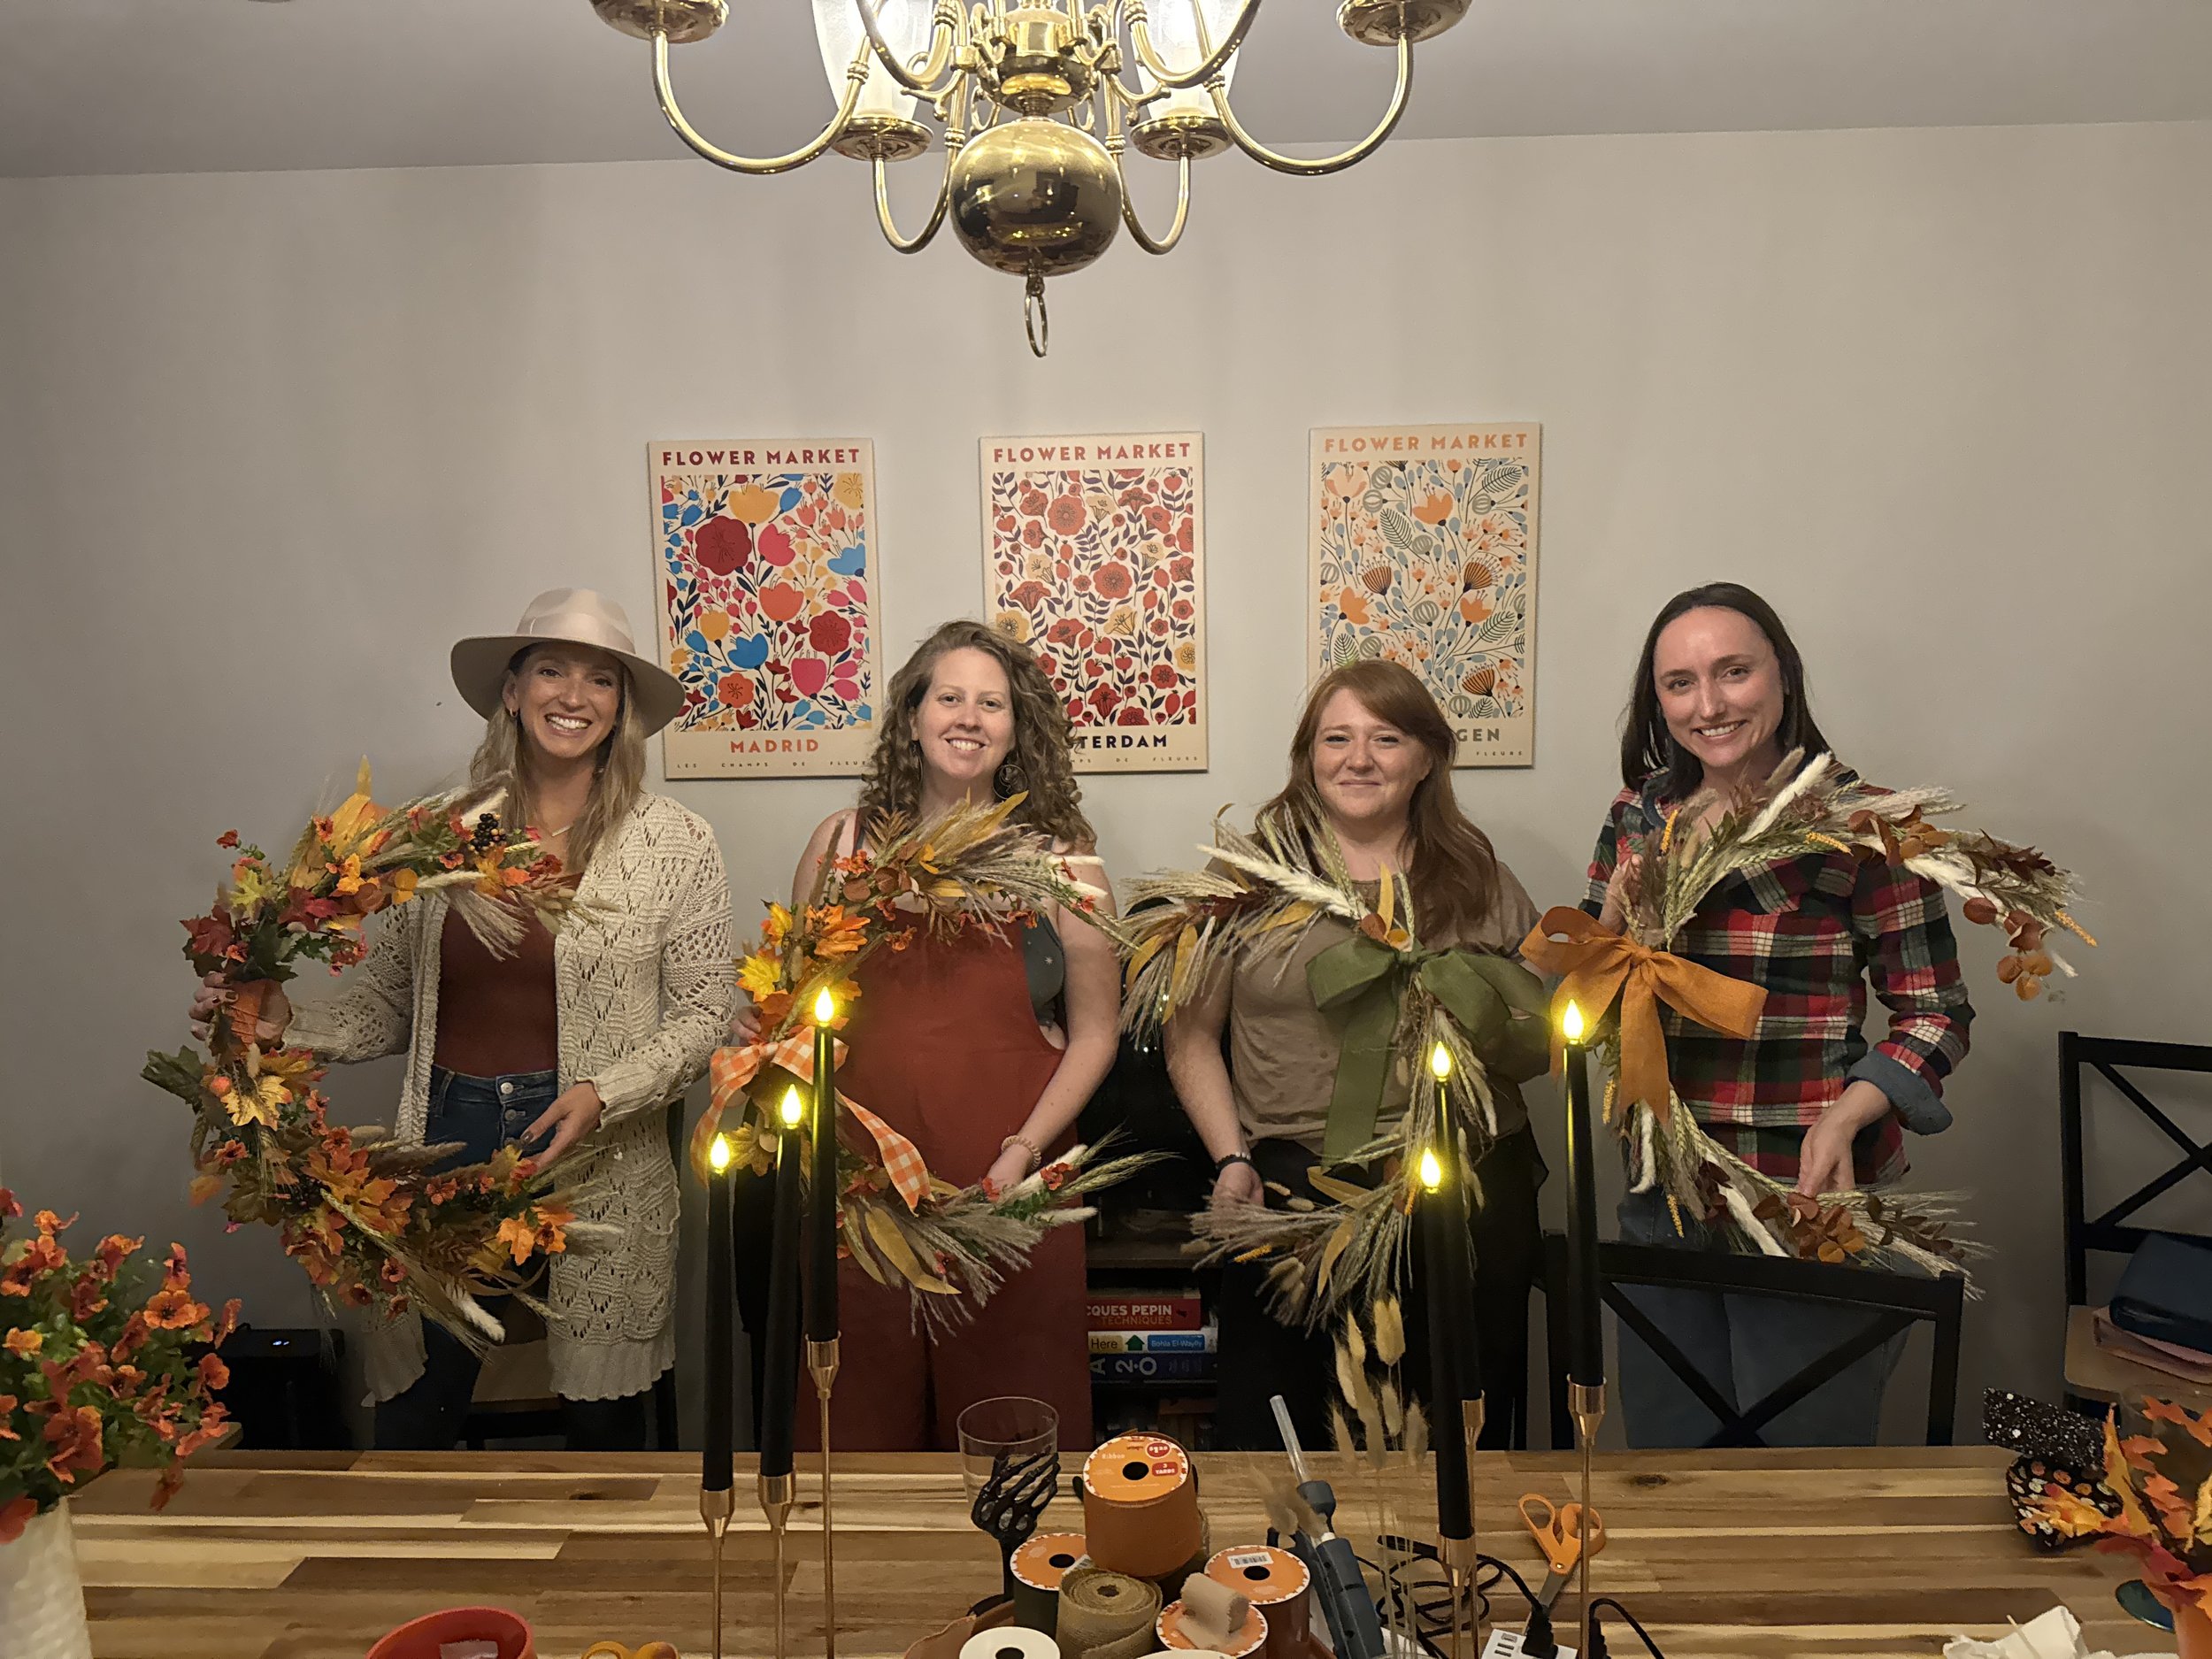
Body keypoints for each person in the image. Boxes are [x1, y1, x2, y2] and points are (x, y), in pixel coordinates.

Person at [191, 588, 735, 1450]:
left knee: (604, 1417)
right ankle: (433, 1580)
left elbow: (709, 1009)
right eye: (550, 670)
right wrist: (283, 1021)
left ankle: (604, 1580)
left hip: (597, 1152)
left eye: (600, 680)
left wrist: (605, 1089)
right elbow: (389, 1005)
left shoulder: (674, 842)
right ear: (510, 692)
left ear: (621, 708)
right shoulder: (436, 834)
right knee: (419, 1409)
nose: (573, 696)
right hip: (448, 1136)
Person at [1582, 580, 1973, 1447]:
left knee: (1804, 1471)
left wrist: (1847, 1115)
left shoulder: (1864, 829)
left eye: (1733, 673)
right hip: (1664, 1197)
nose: (1708, 703)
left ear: (1783, 678)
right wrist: (1613, 918)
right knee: (1667, 1461)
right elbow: (1593, 996)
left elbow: (1936, 1013)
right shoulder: (1636, 816)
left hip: (1804, 1197)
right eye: (1679, 683)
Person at [747, 618, 1118, 1450]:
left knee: (1015, 1424)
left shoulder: (1064, 862)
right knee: (856, 1417)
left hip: (1010, 1174)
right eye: (949, 696)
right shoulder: (840, 845)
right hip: (857, 1183)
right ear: (911, 715)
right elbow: (791, 1006)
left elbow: (1098, 1031)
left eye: (992, 703)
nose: (969, 717)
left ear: (1017, 730)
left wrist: (1022, 1154)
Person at [1164, 660, 1550, 1451]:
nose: (1359, 758)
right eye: (1336, 738)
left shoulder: (1480, 878)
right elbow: (1190, 1032)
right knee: (1283, 1434)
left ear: (1428, 757)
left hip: (1462, 1188)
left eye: (1386, 737)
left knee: (1457, 1436)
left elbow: (1536, 1035)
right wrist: (1231, 1156)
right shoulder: (1245, 880)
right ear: (1309, 755)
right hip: (1289, 1189)